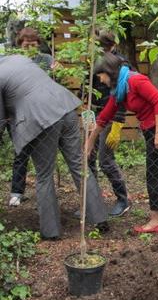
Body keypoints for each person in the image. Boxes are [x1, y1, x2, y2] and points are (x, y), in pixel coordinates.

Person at [0, 54, 108, 240]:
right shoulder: (19, 58)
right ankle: (100, 218)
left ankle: (51, 232)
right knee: (79, 165)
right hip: (65, 107)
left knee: (43, 175)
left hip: (41, 118)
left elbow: (1, 120)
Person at [88, 52, 158, 233]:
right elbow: (104, 117)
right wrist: (89, 142)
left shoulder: (135, 81)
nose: (100, 80)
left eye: (101, 76)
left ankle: (156, 221)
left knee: (155, 174)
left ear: (109, 72)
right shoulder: (120, 90)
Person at [9, 27, 56, 207]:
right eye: (26, 45)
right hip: (20, 115)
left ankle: (44, 193)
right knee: (21, 153)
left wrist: (57, 71)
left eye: (34, 45)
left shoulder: (46, 59)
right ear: (20, 45)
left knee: (44, 154)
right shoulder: (14, 61)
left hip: (43, 113)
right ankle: (16, 192)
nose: (30, 49)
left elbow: (55, 81)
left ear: (39, 44)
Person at [88, 31, 131, 217]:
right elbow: (86, 88)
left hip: (111, 116)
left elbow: (123, 95)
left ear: (110, 44)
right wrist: (88, 116)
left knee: (105, 160)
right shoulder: (93, 60)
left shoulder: (121, 63)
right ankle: (93, 199)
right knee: (88, 157)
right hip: (94, 113)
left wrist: (118, 122)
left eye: (102, 46)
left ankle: (123, 199)